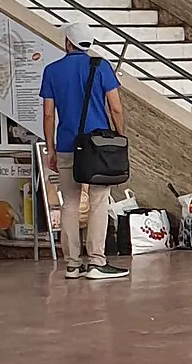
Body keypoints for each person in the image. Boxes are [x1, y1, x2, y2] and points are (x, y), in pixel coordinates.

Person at [38, 23, 130, 282]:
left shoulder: (52, 70)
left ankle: (72, 265)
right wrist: (120, 136)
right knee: (98, 202)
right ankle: (97, 262)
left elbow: (48, 113)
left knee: (69, 203)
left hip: (67, 145)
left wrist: (51, 148)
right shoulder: (100, 67)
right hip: (98, 147)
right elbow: (116, 108)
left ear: (68, 42)